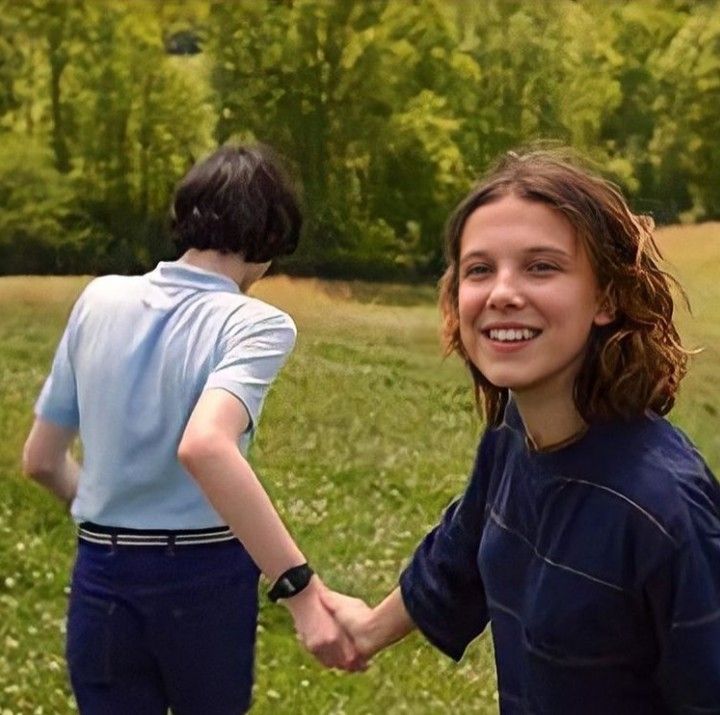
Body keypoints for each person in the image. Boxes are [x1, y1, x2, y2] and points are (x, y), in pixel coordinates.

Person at [323, 149, 720, 714]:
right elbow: (461, 550)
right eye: (480, 269)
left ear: (606, 297)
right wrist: (364, 632)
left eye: (541, 267)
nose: (502, 293)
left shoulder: (663, 509)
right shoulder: (514, 434)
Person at [22, 144, 363, 715]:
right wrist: (300, 591)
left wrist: (116, 518)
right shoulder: (254, 322)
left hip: (100, 573)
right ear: (270, 240)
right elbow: (206, 445)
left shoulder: (97, 298)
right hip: (203, 576)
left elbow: (40, 460)